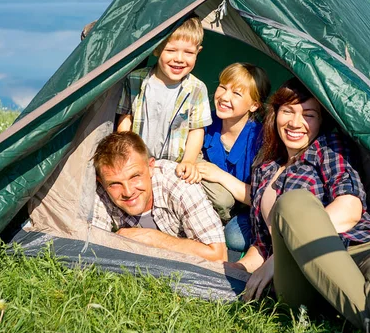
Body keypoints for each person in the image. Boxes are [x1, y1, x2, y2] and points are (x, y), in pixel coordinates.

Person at [228, 79, 370, 333]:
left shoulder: (329, 148)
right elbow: (262, 244)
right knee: (292, 203)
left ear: (321, 122)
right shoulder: (264, 169)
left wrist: (280, 254)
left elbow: (350, 207)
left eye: (309, 115)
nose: (296, 122)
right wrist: (236, 269)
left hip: (364, 246)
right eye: (288, 111)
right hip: (303, 274)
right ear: (275, 115)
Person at [91, 131, 227, 262]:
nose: (128, 192)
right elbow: (90, 250)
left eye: (135, 176)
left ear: (151, 167)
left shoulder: (179, 185)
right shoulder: (99, 193)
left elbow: (218, 256)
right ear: (101, 182)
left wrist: (153, 239)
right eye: (115, 184)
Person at [116, 16, 211, 184]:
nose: (180, 59)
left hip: (176, 162)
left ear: (198, 52)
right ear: (157, 49)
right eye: (171, 50)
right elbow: (125, 118)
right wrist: (125, 152)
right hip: (140, 158)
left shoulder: (197, 88)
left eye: (188, 52)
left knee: (217, 195)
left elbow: (196, 130)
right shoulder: (136, 80)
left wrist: (188, 160)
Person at [195, 63, 271, 252]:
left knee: (235, 238)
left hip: (246, 209)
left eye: (236, 94)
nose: (224, 97)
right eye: (223, 87)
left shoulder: (260, 140)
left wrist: (220, 175)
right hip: (207, 201)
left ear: (254, 105)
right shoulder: (205, 124)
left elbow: (261, 198)